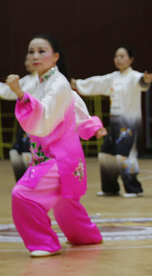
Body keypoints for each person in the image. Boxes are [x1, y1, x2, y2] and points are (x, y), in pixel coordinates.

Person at [8, 35, 105, 258]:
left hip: (58, 159)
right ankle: (85, 236)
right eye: (31, 51)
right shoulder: (39, 82)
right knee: (64, 201)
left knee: (22, 195)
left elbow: (45, 117)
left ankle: (44, 243)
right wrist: (91, 126)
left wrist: (22, 96)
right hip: (52, 157)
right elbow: (74, 104)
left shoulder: (57, 84)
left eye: (42, 51)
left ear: (56, 56)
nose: (35, 56)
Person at [71, 46, 152, 197]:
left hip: (129, 124)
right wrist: (78, 84)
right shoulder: (113, 77)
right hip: (114, 123)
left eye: (122, 56)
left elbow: (142, 83)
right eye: (116, 56)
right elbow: (97, 82)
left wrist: (145, 81)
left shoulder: (135, 76)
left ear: (131, 59)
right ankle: (110, 188)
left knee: (125, 156)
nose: (119, 59)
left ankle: (134, 189)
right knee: (105, 155)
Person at [0, 55, 36, 181]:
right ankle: (22, 181)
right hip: (26, 124)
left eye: (30, 59)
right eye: (26, 59)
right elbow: (13, 90)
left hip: (38, 124)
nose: (27, 62)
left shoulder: (45, 79)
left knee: (29, 152)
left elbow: (20, 91)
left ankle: (31, 181)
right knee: (15, 152)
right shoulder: (27, 79)